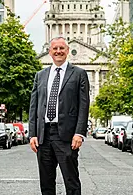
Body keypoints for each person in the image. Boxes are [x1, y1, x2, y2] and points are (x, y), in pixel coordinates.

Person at [29, 37, 90, 195]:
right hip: (44, 135)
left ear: (67, 51)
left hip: (67, 136)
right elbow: (34, 106)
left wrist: (79, 133)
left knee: (71, 181)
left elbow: (84, 105)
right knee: (46, 182)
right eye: (55, 49)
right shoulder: (40, 75)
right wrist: (33, 134)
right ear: (49, 52)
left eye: (62, 48)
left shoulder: (79, 74)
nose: (58, 51)